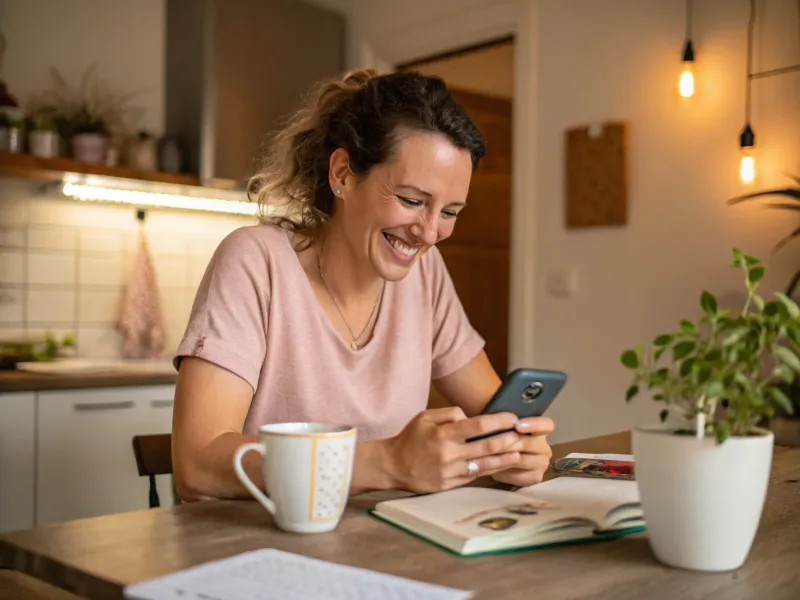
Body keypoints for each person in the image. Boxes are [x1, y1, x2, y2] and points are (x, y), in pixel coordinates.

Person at [171, 68, 555, 502]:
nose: (429, 233)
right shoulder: (256, 261)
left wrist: (517, 449)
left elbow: (495, 414)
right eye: (412, 200)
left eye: (450, 212)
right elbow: (198, 463)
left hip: (386, 543)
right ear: (343, 175)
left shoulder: (426, 274)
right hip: (264, 547)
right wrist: (388, 462)